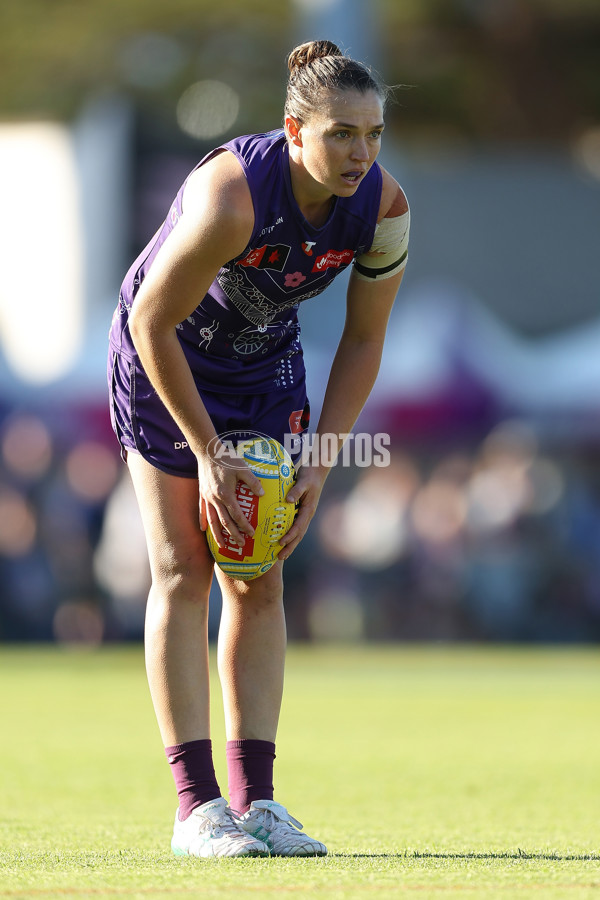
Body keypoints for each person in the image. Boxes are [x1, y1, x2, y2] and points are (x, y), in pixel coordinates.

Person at [107, 38, 410, 858]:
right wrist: (206, 451)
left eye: (374, 133)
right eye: (342, 133)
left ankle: (260, 802)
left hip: (265, 370)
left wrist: (323, 459)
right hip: (168, 360)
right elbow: (148, 323)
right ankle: (196, 807)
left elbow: (362, 342)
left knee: (260, 575)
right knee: (184, 568)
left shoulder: (383, 211)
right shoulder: (232, 199)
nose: (361, 152)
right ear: (294, 130)